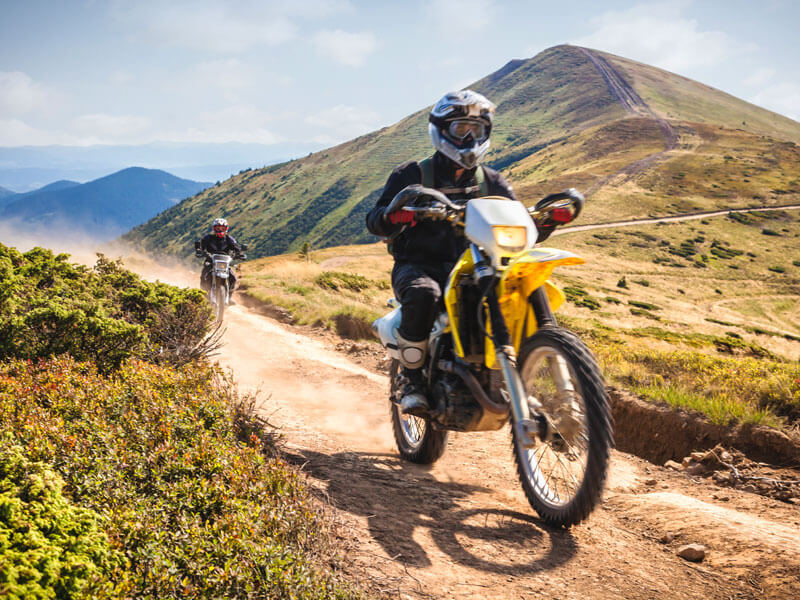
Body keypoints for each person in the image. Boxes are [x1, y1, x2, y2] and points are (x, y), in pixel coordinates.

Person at [366, 89, 524, 416]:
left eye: (476, 130)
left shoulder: (492, 181)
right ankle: (410, 378)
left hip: (475, 266)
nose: (469, 137)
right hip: (419, 265)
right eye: (460, 129)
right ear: (441, 130)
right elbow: (375, 220)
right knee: (425, 294)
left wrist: (544, 220)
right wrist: (396, 213)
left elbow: (515, 217)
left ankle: (526, 369)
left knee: (516, 294)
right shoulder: (412, 174)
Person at [194, 218, 244, 297]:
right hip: (210, 261)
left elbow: (236, 248)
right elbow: (201, 247)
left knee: (233, 277)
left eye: (222, 228)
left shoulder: (229, 239)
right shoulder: (208, 238)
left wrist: (240, 253)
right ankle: (203, 295)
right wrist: (199, 251)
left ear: (226, 228)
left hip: (225, 263)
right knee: (204, 275)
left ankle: (229, 296)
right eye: (218, 228)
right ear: (214, 228)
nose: (220, 230)